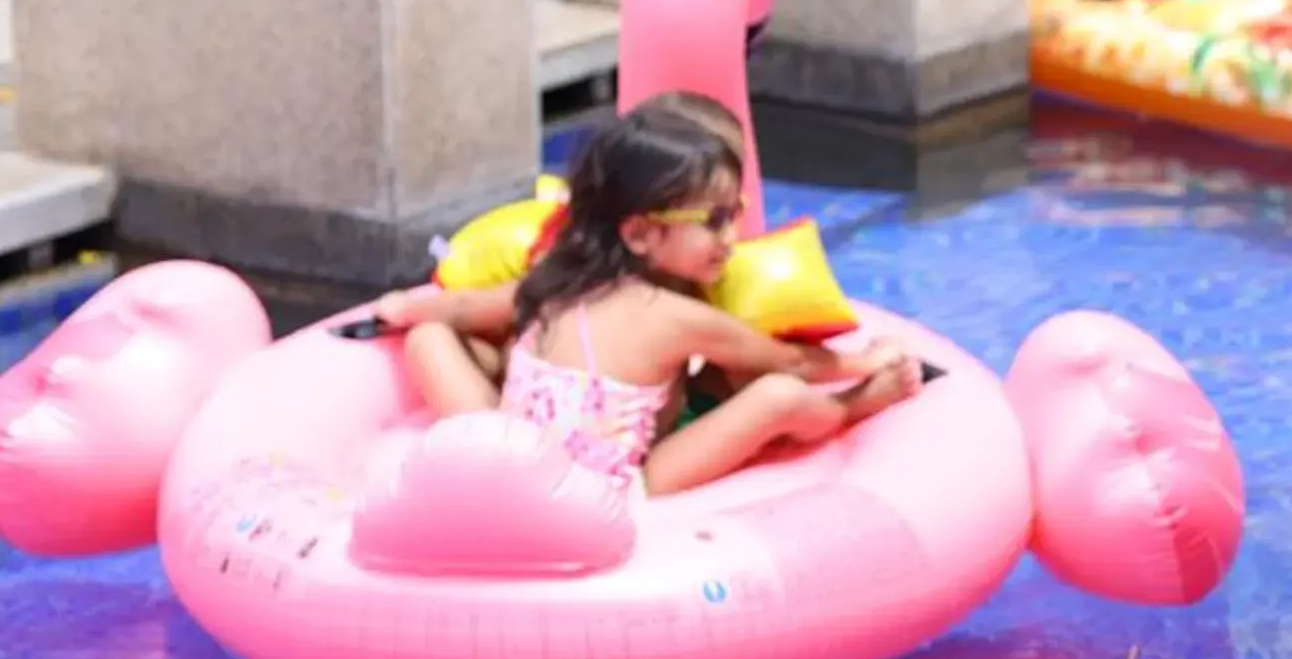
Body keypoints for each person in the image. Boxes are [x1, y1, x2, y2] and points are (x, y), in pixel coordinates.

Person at [372, 99, 923, 495]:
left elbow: (468, 306)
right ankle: (856, 409)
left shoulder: (556, 279)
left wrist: (407, 308)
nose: (732, 237)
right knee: (776, 395)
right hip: (617, 490)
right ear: (638, 234)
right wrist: (864, 363)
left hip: (514, 464)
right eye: (714, 221)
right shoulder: (676, 318)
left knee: (429, 337)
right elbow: (789, 361)